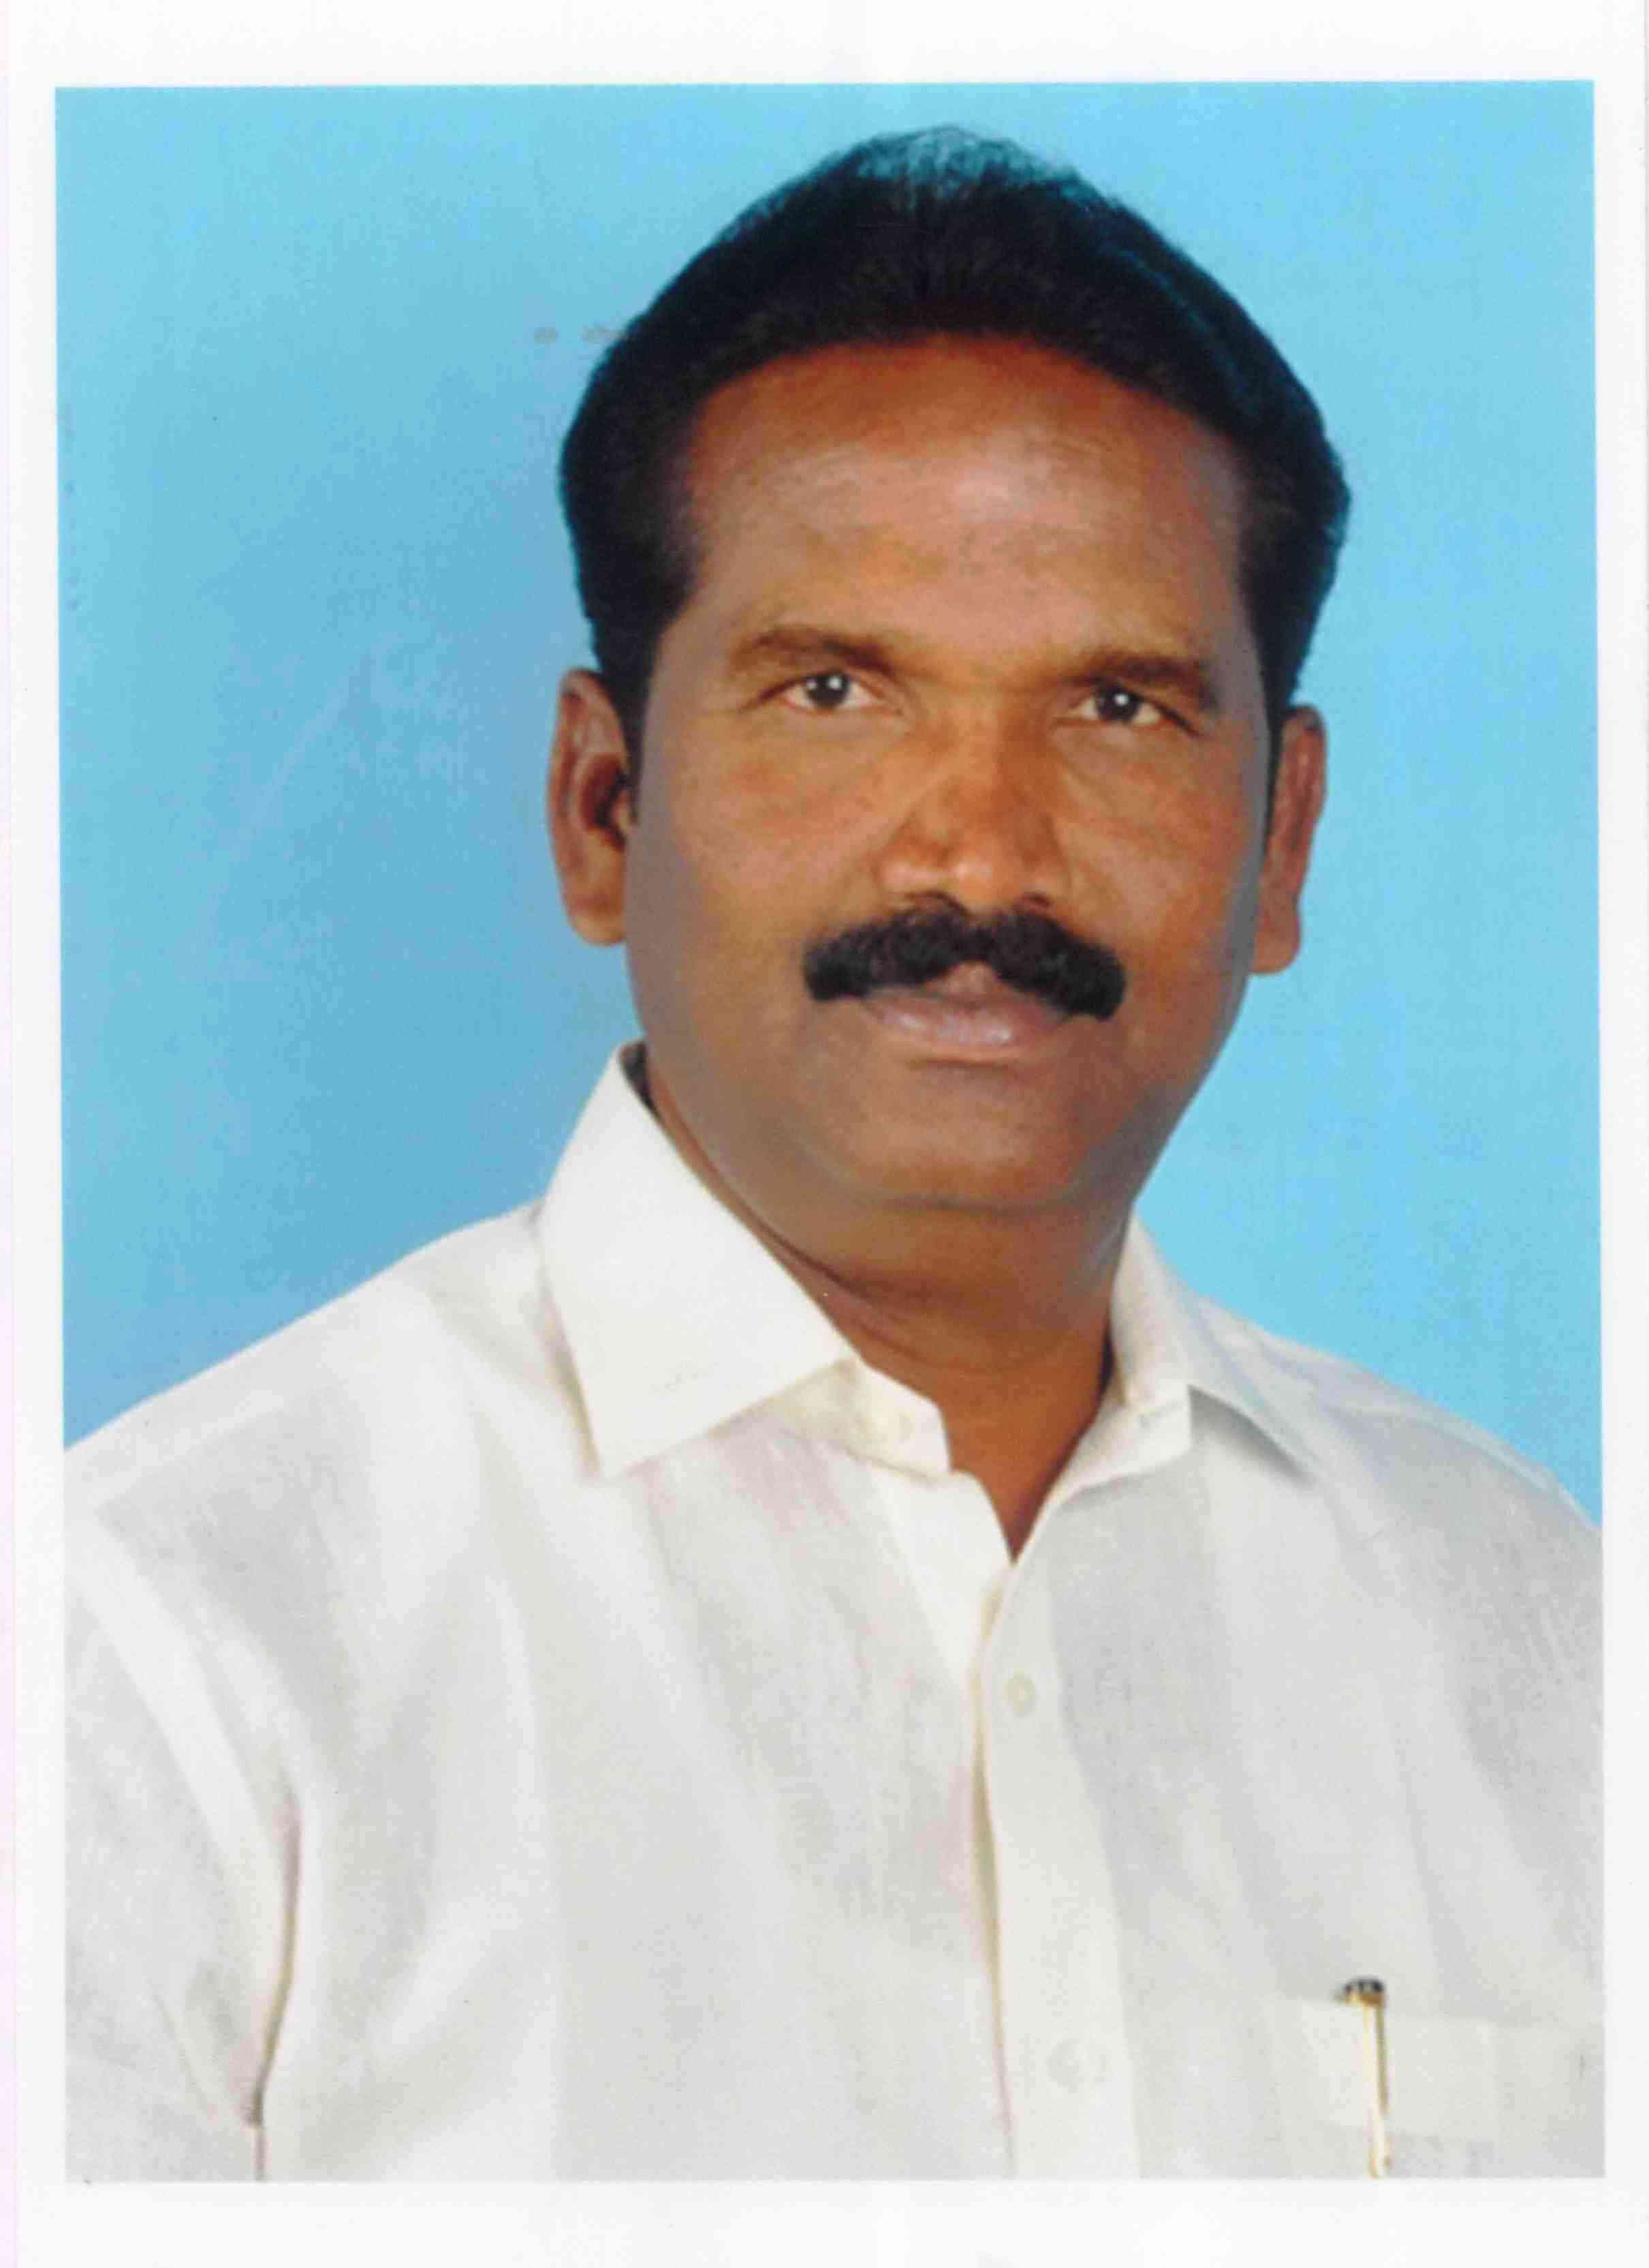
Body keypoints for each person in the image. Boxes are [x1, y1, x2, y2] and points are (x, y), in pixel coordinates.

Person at [67, 129, 1599, 2180]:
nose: (980, 853)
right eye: (834, 689)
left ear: (1283, 839)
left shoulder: (1536, 1627)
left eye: (1120, 708)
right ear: (602, 807)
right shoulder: (154, 1642)